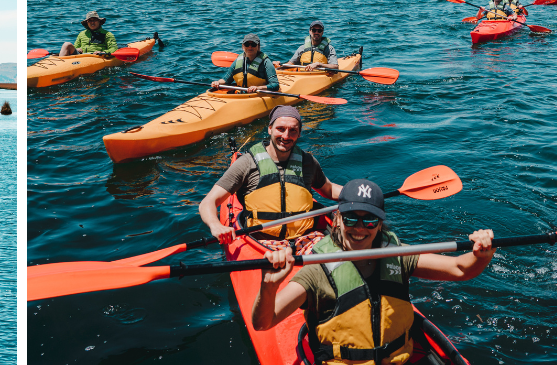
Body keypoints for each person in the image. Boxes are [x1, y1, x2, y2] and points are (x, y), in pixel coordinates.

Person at [252, 179, 496, 364]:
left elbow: (459, 269)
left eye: (369, 221)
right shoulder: (317, 270)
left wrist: (481, 255)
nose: (360, 228)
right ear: (337, 219)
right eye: (351, 219)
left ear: (380, 224)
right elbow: (264, 323)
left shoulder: (398, 256)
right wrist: (269, 286)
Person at [198, 105, 343, 254]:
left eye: (293, 130)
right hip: (263, 242)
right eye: (280, 129)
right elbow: (208, 202)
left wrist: (355, 192)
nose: (286, 136)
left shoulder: (308, 162)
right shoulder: (247, 163)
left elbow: (329, 189)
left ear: (299, 133)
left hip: (307, 238)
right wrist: (216, 225)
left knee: (339, 261)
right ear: (270, 129)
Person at [212, 34, 280, 93]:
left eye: (253, 44)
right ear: (243, 46)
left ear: (258, 47)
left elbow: (275, 85)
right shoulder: (237, 61)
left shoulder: (266, 62)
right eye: (247, 44)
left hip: (259, 95)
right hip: (241, 95)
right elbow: (226, 80)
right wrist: (218, 82)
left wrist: (258, 88)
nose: (250, 47)